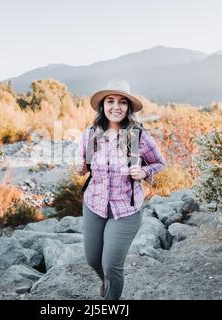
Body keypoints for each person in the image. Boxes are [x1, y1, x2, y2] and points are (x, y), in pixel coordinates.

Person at [75, 79, 167, 300]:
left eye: (122, 102)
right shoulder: (90, 134)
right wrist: (79, 168)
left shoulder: (139, 137)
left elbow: (160, 163)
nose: (116, 106)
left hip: (126, 208)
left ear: (128, 108)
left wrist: (145, 172)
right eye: (110, 101)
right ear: (103, 106)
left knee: (111, 264)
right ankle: (107, 284)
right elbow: (83, 165)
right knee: (93, 260)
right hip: (94, 204)